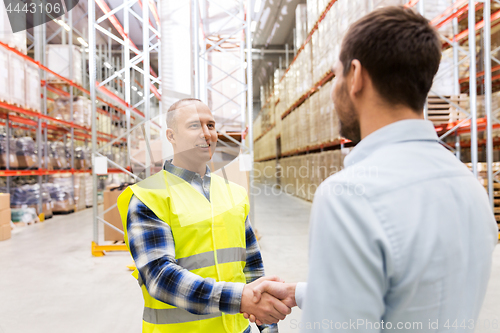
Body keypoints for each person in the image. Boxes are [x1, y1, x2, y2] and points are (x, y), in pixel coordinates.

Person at [244, 6, 498, 332]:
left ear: (356, 76)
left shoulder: (348, 196)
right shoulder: (471, 187)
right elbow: (416, 292)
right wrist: (301, 293)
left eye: (336, 76)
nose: (333, 92)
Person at [117, 98, 291, 333]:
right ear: (171, 136)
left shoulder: (234, 193)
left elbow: (252, 267)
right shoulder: (148, 197)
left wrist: (268, 325)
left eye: (210, 125)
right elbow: (160, 277)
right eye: (194, 126)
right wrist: (240, 299)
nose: (206, 134)